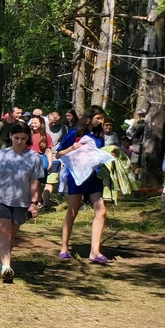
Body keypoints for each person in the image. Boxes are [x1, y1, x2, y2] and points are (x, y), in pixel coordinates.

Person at [0, 123, 46, 282]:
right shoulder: (0, 155)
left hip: (21, 202)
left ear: (28, 138)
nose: (19, 141)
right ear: (10, 137)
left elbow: (35, 182)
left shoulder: (34, 157)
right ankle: (7, 267)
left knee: (11, 236)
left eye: (23, 138)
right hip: (1, 200)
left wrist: (34, 203)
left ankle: (1, 262)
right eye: (16, 138)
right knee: (5, 233)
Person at [57, 106, 112, 264]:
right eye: (98, 118)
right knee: (73, 211)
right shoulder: (74, 133)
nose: (100, 121)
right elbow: (59, 154)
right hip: (76, 177)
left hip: (94, 178)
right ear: (89, 118)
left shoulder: (99, 136)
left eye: (102, 118)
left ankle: (95, 251)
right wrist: (72, 148)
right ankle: (64, 248)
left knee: (101, 211)